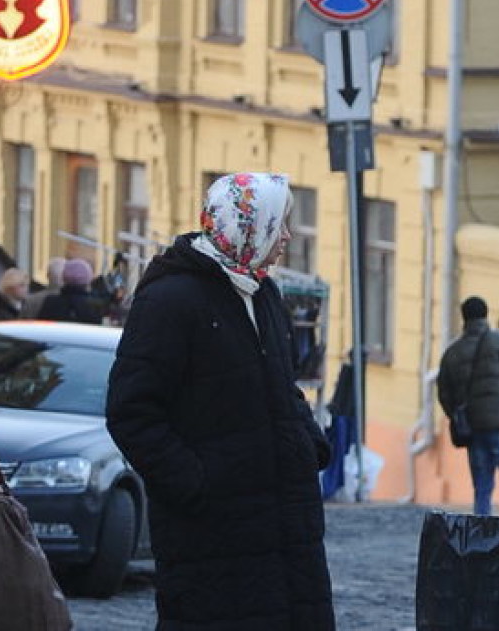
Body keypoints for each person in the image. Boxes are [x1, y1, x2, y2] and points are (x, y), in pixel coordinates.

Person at [106, 172, 336, 629]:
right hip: (212, 539)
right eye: (279, 223)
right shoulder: (171, 300)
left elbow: (282, 384)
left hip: (286, 529)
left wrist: (307, 441)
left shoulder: (263, 291)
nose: (287, 235)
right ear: (247, 225)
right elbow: (131, 412)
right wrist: (196, 482)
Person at [437, 295, 499, 518]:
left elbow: (444, 394)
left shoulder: (452, 354)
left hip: (474, 430)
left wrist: (458, 414)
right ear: (485, 314)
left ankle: (481, 533)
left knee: (482, 487)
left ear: (464, 318)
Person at [38, 259, 105, 324]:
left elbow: (41, 327)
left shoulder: (50, 302)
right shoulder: (95, 306)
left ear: (64, 278)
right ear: (88, 281)